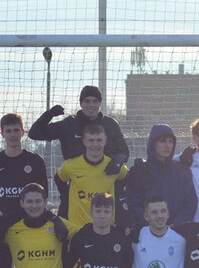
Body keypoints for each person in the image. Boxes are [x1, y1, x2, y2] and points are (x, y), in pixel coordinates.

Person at [56, 121, 130, 268]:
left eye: (100, 140)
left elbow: (127, 180)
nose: (96, 144)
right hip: (81, 236)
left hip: (107, 236)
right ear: (84, 142)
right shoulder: (71, 166)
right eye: (91, 140)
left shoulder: (114, 166)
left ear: (105, 142)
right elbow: (60, 180)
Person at [27, 85, 129, 217]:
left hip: (105, 184)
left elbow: (124, 151)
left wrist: (116, 162)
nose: (91, 105)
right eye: (87, 101)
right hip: (76, 185)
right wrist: (49, 114)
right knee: (69, 223)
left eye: (95, 101)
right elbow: (35, 134)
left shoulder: (110, 124)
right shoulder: (69, 125)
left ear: (100, 103)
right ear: (81, 103)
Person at [125, 124, 198, 228]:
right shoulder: (139, 170)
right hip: (147, 231)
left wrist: (175, 224)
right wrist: (152, 225)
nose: (167, 145)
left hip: (176, 231)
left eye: (170, 141)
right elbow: (134, 203)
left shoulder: (182, 171)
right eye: (163, 141)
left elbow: (190, 203)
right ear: (153, 144)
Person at [0, 112, 48, 218]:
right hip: (3, 220)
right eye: (8, 131)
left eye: (16, 130)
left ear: (23, 132)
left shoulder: (36, 161)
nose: (12, 134)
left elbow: (44, 194)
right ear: (2, 134)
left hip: (29, 220)